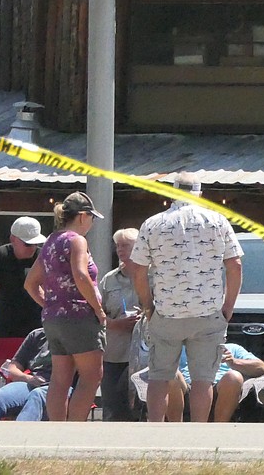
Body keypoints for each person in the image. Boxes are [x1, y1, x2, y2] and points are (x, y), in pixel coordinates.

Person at [131, 172, 244, 424]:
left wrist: (148, 305)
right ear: (199, 193)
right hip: (208, 313)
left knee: (160, 376)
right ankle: (198, 434)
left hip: (167, 313)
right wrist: (228, 306)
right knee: (203, 379)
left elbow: (138, 270)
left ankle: (155, 430)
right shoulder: (217, 220)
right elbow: (234, 265)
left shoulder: (152, 224)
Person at [24, 191, 107, 422]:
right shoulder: (77, 240)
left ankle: (57, 431)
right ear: (82, 216)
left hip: (53, 319)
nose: (91, 223)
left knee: (61, 378)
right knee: (91, 377)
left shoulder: (51, 240)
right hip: (80, 316)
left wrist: (50, 305)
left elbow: (30, 283)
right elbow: (81, 275)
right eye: (91, 217)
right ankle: (75, 431)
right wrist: (99, 310)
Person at [0, 216, 46, 350]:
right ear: (13, 239)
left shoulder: (42, 257)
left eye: (36, 243)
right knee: (4, 369)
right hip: (6, 329)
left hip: (37, 330)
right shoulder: (1, 256)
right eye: (27, 243)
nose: (32, 248)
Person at [98, 227, 142, 421]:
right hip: (115, 352)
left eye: (125, 245)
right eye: (118, 246)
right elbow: (96, 314)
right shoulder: (109, 280)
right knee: (114, 407)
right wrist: (115, 324)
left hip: (145, 352)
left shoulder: (152, 277)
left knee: (141, 407)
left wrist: (146, 317)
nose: (120, 250)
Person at [0, 327, 54, 421]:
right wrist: (28, 379)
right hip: (31, 382)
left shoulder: (71, 338)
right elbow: (12, 369)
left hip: (60, 387)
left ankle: (19, 435)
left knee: (37, 396)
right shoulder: (37, 335)